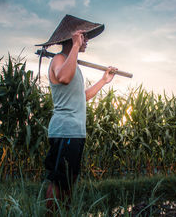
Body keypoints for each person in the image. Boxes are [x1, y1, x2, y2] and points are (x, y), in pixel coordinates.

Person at [36, 15, 117, 213]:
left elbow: (82, 97)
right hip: (65, 130)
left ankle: (65, 213)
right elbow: (63, 77)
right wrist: (74, 47)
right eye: (83, 37)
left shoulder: (73, 65)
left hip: (75, 132)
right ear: (73, 37)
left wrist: (103, 80)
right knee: (58, 181)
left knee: (69, 181)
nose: (86, 41)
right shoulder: (59, 59)